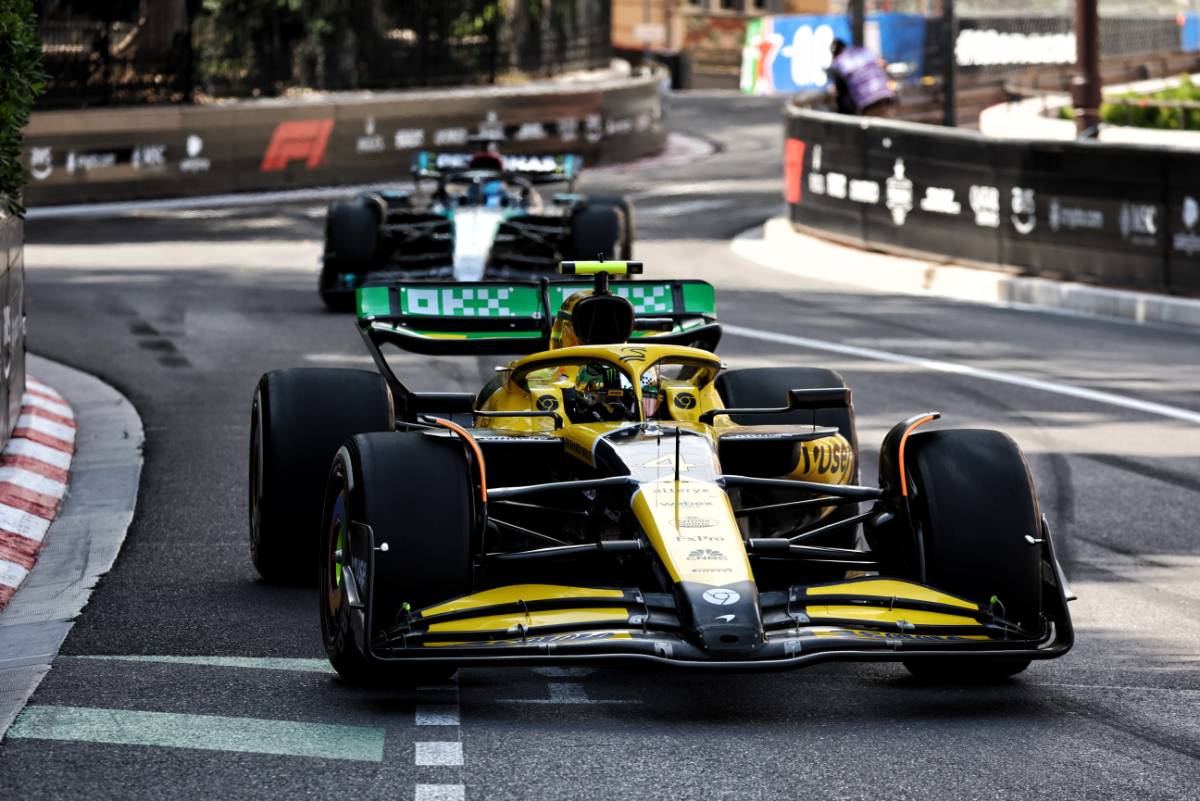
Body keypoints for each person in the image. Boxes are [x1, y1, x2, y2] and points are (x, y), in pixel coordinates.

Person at [828, 38, 896, 117]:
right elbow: (882, 64)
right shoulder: (863, 51)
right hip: (885, 95)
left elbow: (838, 89)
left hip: (867, 102)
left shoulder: (838, 62)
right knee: (887, 120)